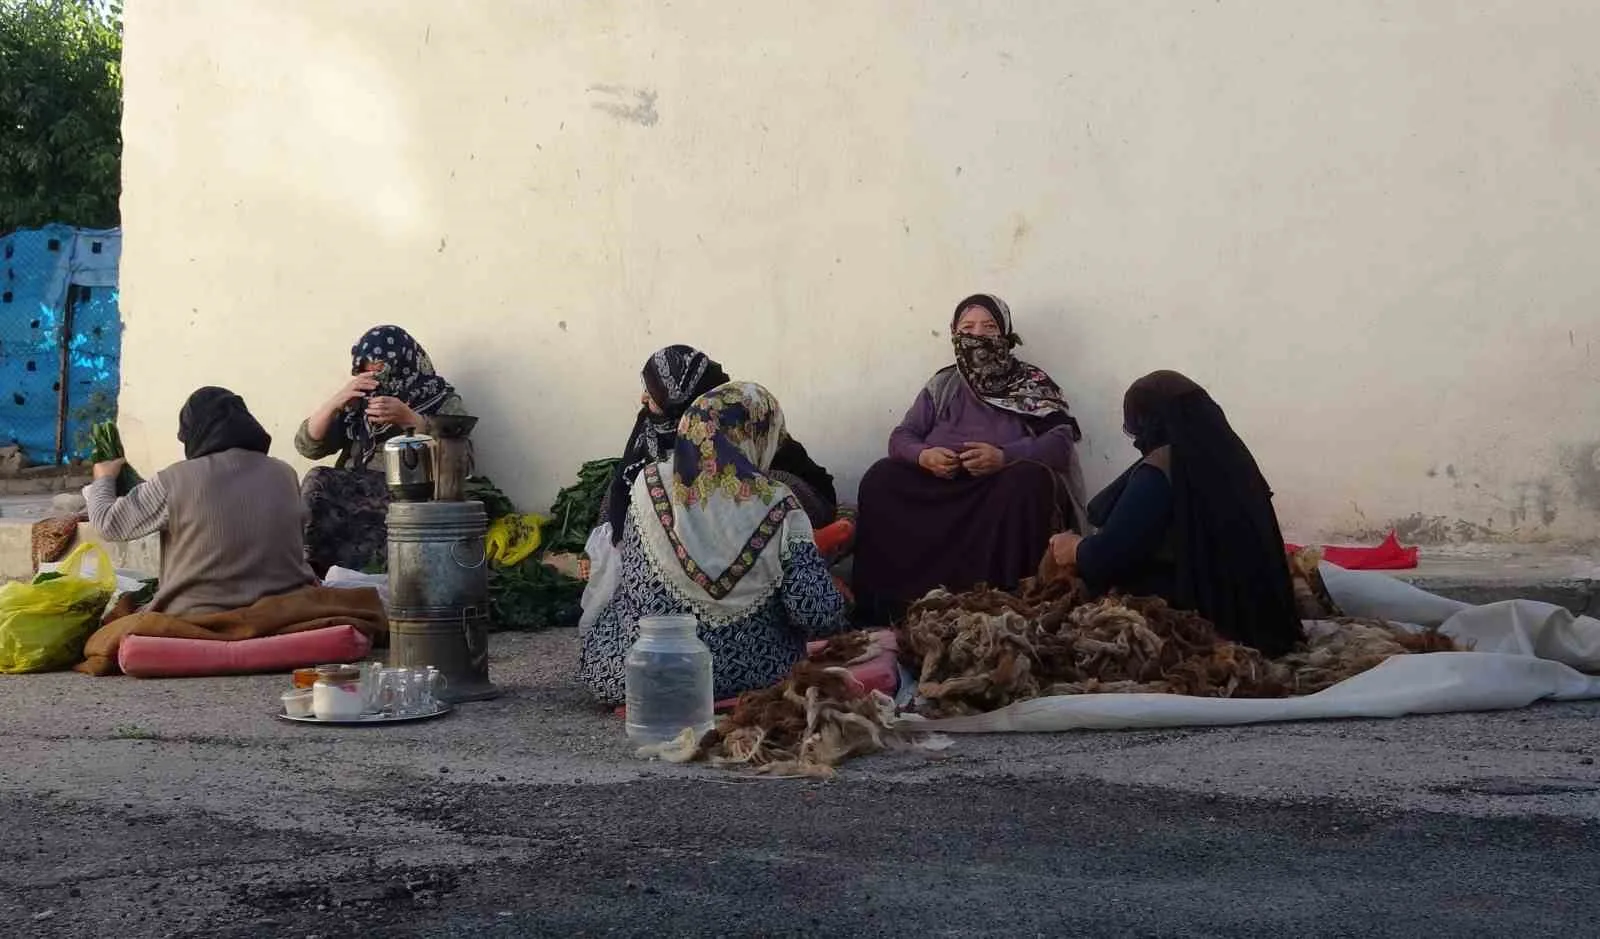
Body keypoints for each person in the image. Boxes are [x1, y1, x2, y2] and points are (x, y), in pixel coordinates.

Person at [577, 381, 851, 705]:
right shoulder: (778, 503)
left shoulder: (647, 484)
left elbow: (636, 587)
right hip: (756, 675)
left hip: (645, 676)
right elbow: (815, 612)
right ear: (759, 436)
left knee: (612, 619)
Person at [851, 293, 1088, 624]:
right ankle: (891, 607)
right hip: (942, 486)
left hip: (994, 489)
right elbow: (901, 436)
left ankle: (1006, 603)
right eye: (968, 327)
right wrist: (924, 456)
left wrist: (1004, 457)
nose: (977, 336)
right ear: (954, 333)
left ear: (1005, 334)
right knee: (882, 478)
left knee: (1028, 482)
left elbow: (1060, 444)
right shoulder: (943, 384)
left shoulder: (1031, 383)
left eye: (989, 327)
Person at [1046, 370, 1304, 657]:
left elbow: (1109, 556)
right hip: (1261, 619)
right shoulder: (1236, 461)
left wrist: (1075, 549)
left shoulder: (1164, 468)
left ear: (1147, 420)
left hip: (1198, 619)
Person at [84, 387, 318, 616]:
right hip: (284, 607)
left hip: (198, 613)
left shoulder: (174, 479)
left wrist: (104, 478)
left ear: (192, 434)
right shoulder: (284, 473)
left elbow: (107, 523)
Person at [601, 344, 837, 538]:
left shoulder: (733, 417)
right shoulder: (652, 425)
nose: (643, 398)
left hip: (789, 502)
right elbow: (624, 485)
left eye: (652, 394)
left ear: (680, 404)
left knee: (759, 487)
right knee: (637, 485)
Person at [296, 325, 466, 575]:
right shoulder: (359, 405)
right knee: (318, 479)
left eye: (380, 367)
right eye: (366, 369)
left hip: (410, 493)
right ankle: (309, 574)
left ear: (402, 362)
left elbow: (461, 459)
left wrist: (411, 419)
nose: (374, 376)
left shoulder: (440, 398)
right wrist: (337, 402)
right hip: (355, 490)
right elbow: (307, 445)